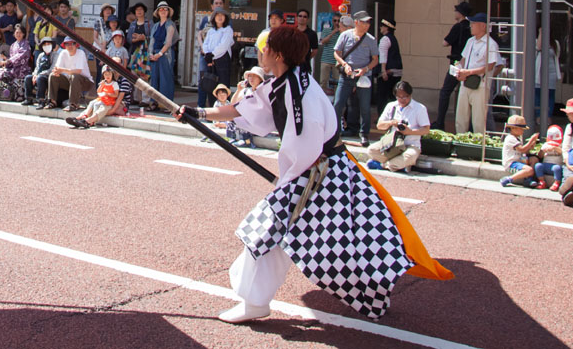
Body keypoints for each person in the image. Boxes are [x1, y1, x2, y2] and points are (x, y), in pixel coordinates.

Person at [179, 25, 427, 324]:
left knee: (278, 236)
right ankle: (262, 300)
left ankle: (256, 302)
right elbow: (244, 109)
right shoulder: (288, 82)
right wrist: (199, 114)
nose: (262, 51)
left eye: (266, 47)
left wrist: (287, 184)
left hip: (319, 176)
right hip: (319, 174)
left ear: (278, 54)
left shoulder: (298, 94)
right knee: (329, 241)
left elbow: (305, 147)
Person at [332, 11, 379, 147]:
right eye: (364, 22)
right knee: (338, 104)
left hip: (363, 77)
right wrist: (344, 64)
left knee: (364, 106)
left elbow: (375, 59)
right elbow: (337, 53)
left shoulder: (371, 39)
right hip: (346, 75)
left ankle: (364, 134)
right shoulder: (345, 35)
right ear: (356, 22)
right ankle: (335, 132)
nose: (367, 25)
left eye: (368, 22)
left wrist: (366, 69)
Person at [366, 80, 431, 173]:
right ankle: (397, 165)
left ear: (410, 94)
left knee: (410, 156)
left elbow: (426, 130)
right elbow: (379, 125)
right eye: (399, 97)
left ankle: (383, 164)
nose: (402, 99)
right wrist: (392, 123)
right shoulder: (391, 106)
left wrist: (410, 132)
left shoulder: (420, 108)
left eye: (405, 97)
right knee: (371, 150)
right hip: (392, 144)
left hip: (410, 145)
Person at [454, 12, 499, 135]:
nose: (471, 26)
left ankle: (478, 146)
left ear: (483, 26)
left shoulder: (491, 44)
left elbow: (490, 66)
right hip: (465, 82)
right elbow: (463, 58)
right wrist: (459, 69)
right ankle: (460, 141)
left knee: (478, 119)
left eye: (474, 24)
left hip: (480, 84)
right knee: (461, 116)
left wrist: (468, 72)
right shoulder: (470, 41)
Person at [435, 2, 472, 129]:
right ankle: (469, 126)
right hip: (468, 64)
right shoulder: (471, 27)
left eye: (456, 10)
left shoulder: (458, 27)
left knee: (445, 92)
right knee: (465, 93)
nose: (454, 13)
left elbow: (445, 42)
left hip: (456, 63)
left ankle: (440, 122)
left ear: (460, 13)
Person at [67, 63, 123, 128]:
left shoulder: (114, 83)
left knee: (101, 109)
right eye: (106, 74)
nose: (107, 76)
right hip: (101, 99)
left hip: (109, 102)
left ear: (112, 75)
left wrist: (107, 94)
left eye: (109, 74)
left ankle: (88, 121)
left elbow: (116, 95)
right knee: (92, 103)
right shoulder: (103, 82)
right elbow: (98, 91)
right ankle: (80, 117)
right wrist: (101, 85)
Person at [45, 36, 93, 111]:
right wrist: (56, 72)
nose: (70, 46)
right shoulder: (63, 53)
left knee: (75, 76)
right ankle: (52, 102)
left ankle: (73, 104)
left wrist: (62, 70)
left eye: (72, 43)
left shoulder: (81, 53)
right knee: (53, 75)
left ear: (76, 45)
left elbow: (78, 71)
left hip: (86, 82)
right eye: (67, 44)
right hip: (70, 81)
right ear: (64, 45)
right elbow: (57, 68)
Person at [200, 8, 235, 106]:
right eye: (217, 15)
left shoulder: (227, 30)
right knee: (211, 85)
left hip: (222, 60)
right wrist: (207, 54)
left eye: (222, 15)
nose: (219, 17)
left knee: (223, 86)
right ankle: (213, 109)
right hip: (210, 60)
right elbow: (205, 43)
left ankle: (225, 111)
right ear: (213, 18)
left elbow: (223, 45)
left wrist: (212, 54)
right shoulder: (211, 31)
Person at [147, 2, 177, 105]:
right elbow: (152, 41)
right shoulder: (155, 26)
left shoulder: (170, 24)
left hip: (165, 54)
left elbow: (168, 42)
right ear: (158, 12)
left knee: (166, 79)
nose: (163, 11)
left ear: (168, 12)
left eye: (165, 9)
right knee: (154, 79)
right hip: (155, 54)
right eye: (161, 9)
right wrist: (151, 54)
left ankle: (166, 105)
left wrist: (159, 54)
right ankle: (154, 102)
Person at [0, 22, 32, 102]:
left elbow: (21, 55)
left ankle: (15, 95)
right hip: (13, 67)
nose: (18, 34)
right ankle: (2, 93)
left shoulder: (26, 44)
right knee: (1, 71)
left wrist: (8, 61)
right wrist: (5, 61)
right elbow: (11, 58)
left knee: (7, 73)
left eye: (20, 33)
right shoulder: (13, 45)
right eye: (17, 32)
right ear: (14, 33)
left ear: (24, 34)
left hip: (22, 68)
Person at [499, 115, 539, 188]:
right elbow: (522, 149)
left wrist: (531, 146)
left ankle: (528, 179)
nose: (523, 131)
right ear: (513, 128)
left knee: (534, 159)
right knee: (529, 170)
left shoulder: (517, 139)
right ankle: (508, 179)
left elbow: (524, 152)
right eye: (521, 129)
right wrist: (531, 140)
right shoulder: (510, 138)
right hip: (511, 163)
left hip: (519, 160)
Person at [376, 19, 403, 115]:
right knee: (392, 95)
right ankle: (394, 115)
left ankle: (382, 116)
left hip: (388, 71)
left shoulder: (385, 39)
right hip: (397, 71)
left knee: (382, 95)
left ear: (386, 27)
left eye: (382, 26)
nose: (380, 28)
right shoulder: (393, 38)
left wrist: (383, 71)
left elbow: (383, 56)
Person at [316, 15, 350, 91]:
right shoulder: (327, 30)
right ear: (332, 21)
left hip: (337, 61)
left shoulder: (343, 32)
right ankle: (322, 100)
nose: (336, 23)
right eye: (335, 21)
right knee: (323, 81)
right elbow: (323, 41)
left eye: (338, 21)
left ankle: (336, 100)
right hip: (326, 59)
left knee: (338, 82)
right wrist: (333, 33)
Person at [24, 36, 57, 106]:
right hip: (38, 75)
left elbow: (52, 69)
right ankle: (29, 98)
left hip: (48, 76)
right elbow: (37, 67)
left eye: (48, 44)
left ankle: (41, 100)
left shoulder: (55, 55)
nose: (46, 46)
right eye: (45, 45)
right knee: (28, 78)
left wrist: (39, 75)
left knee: (40, 79)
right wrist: (35, 74)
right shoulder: (40, 55)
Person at [533, 124, 565, 191]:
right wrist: (543, 151)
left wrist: (554, 148)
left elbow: (562, 152)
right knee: (538, 166)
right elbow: (540, 156)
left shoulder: (561, 145)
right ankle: (542, 182)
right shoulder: (546, 144)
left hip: (556, 165)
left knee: (557, 168)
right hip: (546, 165)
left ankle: (556, 183)